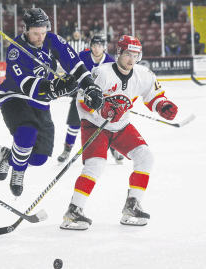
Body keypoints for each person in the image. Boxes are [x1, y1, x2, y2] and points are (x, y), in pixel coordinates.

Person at [60, 35, 178, 230]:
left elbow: (154, 95)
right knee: (96, 165)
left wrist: (162, 105)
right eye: (127, 55)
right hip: (95, 126)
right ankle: (74, 209)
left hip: (121, 126)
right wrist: (101, 109)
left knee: (145, 157)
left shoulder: (144, 74)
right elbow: (82, 100)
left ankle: (132, 205)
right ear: (118, 54)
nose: (131, 60)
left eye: (135, 55)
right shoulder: (102, 73)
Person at [0, 8, 105, 198]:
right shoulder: (15, 50)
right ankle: (18, 170)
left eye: (43, 32)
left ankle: (8, 157)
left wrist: (90, 87)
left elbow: (75, 64)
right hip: (15, 97)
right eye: (35, 33)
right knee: (26, 132)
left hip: (40, 101)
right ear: (26, 30)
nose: (40, 37)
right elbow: (27, 85)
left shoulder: (52, 40)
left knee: (38, 158)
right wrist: (55, 88)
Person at [57, 34, 124, 165]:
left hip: (101, 99)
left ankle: (114, 149)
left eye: (99, 46)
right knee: (74, 124)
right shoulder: (82, 56)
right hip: (81, 97)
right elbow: (72, 71)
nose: (96, 49)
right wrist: (69, 84)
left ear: (104, 47)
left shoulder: (110, 61)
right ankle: (67, 150)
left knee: (107, 124)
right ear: (91, 47)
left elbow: (115, 82)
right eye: (94, 46)